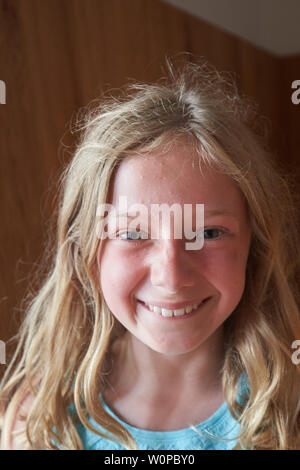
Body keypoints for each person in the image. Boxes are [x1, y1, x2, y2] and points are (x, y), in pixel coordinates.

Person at [0, 59, 299, 450]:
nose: (171, 278)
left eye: (208, 232)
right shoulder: (39, 419)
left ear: (254, 246)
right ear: (86, 251)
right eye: (133, 234)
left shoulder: (288, 409)